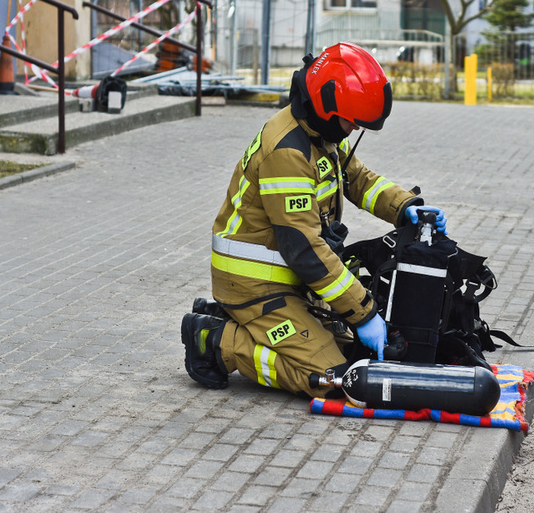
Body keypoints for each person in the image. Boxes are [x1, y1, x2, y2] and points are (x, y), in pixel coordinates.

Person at [181, 42, 447, 397]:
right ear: (326, 105)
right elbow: (304, 250)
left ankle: (232, 321)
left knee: (353, 350)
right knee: (334, 377)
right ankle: (216, 340)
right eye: (351, 121)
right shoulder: (288, 152)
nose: (353, 129)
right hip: (254, 286)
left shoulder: (319, 133)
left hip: (290, 280)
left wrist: (403, 207)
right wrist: (364, 314)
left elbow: (357, 178)